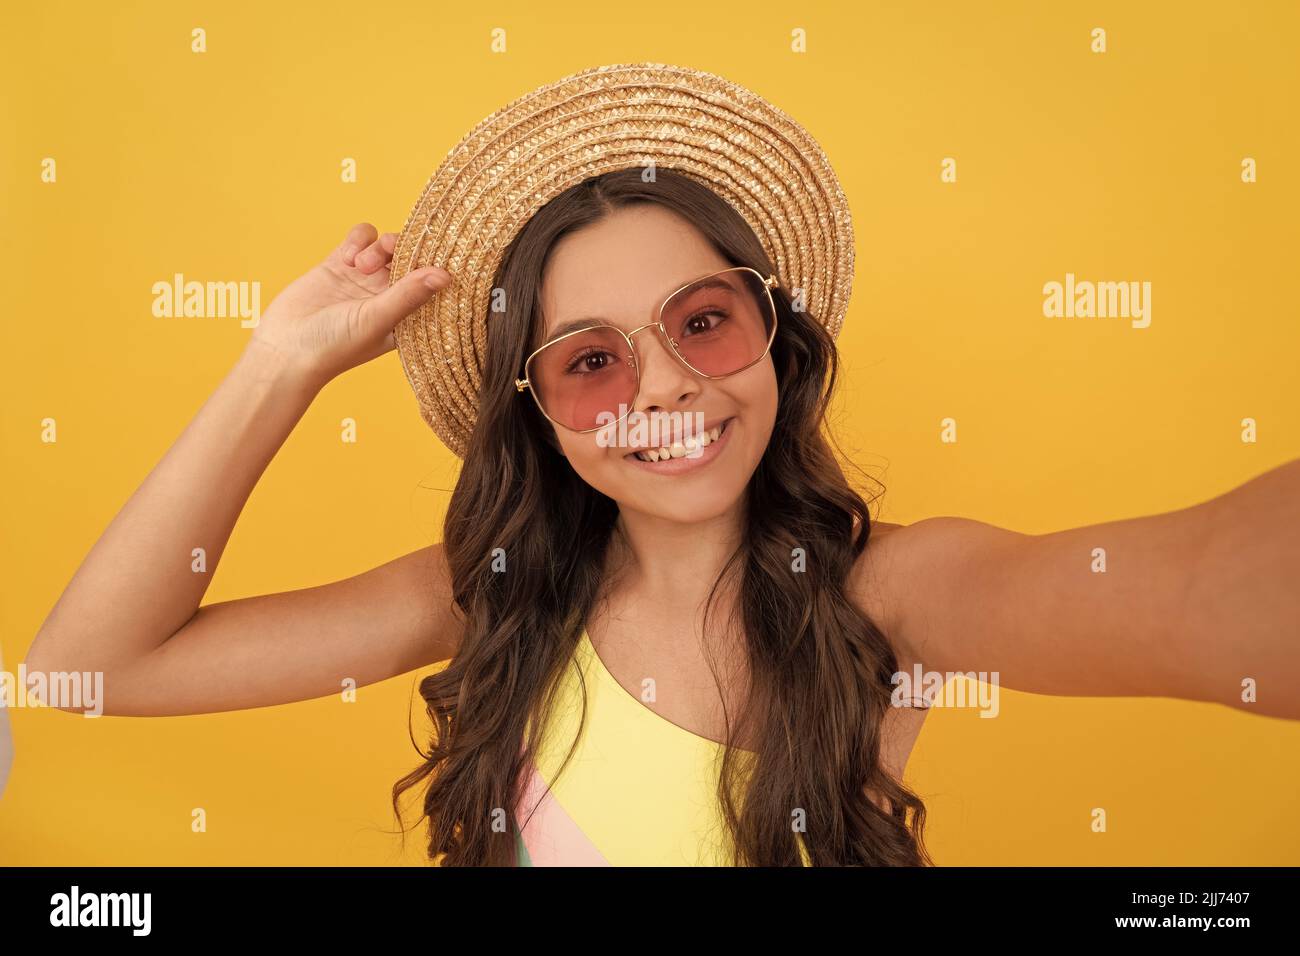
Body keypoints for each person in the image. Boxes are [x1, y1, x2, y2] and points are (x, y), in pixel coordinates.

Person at [23, 67, 1300, 868]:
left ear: (772, 337)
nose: (669, 386)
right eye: (589, 359)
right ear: (540, 413)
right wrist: (280, 363)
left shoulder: (895, 596)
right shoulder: (493, 591)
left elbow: (1212, 588)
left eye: (702, 320)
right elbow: (94, 669)